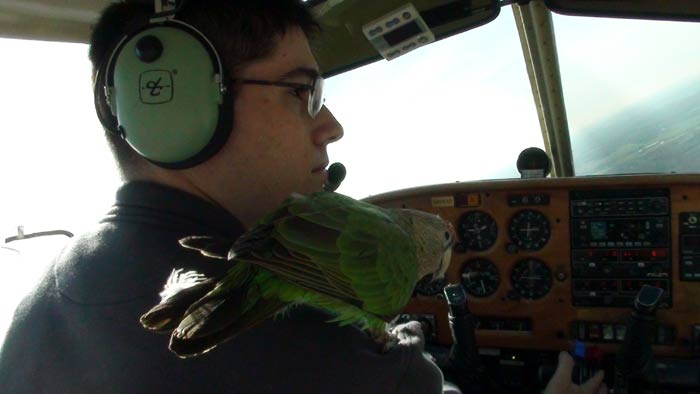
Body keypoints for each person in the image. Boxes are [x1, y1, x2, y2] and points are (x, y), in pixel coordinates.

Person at [0, 1, 606, 393]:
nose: (332, 127)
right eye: (301, 93)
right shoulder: (315, 350)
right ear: (178, 108)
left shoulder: (33, 317)